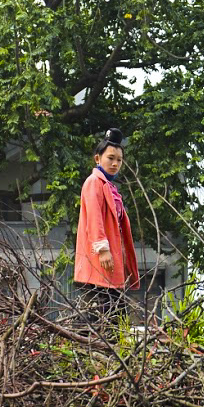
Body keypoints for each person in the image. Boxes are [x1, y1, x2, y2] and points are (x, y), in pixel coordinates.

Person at [73, 128, 140, 325]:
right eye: (110, 158)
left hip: (110, 260)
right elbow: (94, 218)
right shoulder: (94, 182)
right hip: (100, 259)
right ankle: (76, 339)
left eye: (119, 160)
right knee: (104, 311)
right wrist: (103, 250)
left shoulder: (110, 186)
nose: (115, 163)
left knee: (114, 312)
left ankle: (100, 348)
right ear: (97, 158)